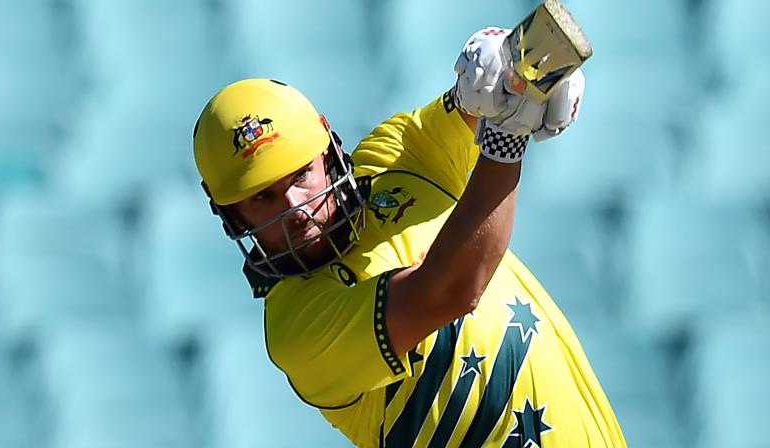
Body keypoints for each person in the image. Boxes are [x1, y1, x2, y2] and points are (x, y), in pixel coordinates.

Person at [193, 26, 625, 448]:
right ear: (231, 215)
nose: (294, 207)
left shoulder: (391, 158)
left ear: (329, 150)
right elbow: (451, 290)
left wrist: (523, 73)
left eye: (302, 174)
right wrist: (508, 137)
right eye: (262, 198)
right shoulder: (298, 328)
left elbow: (474, 104)